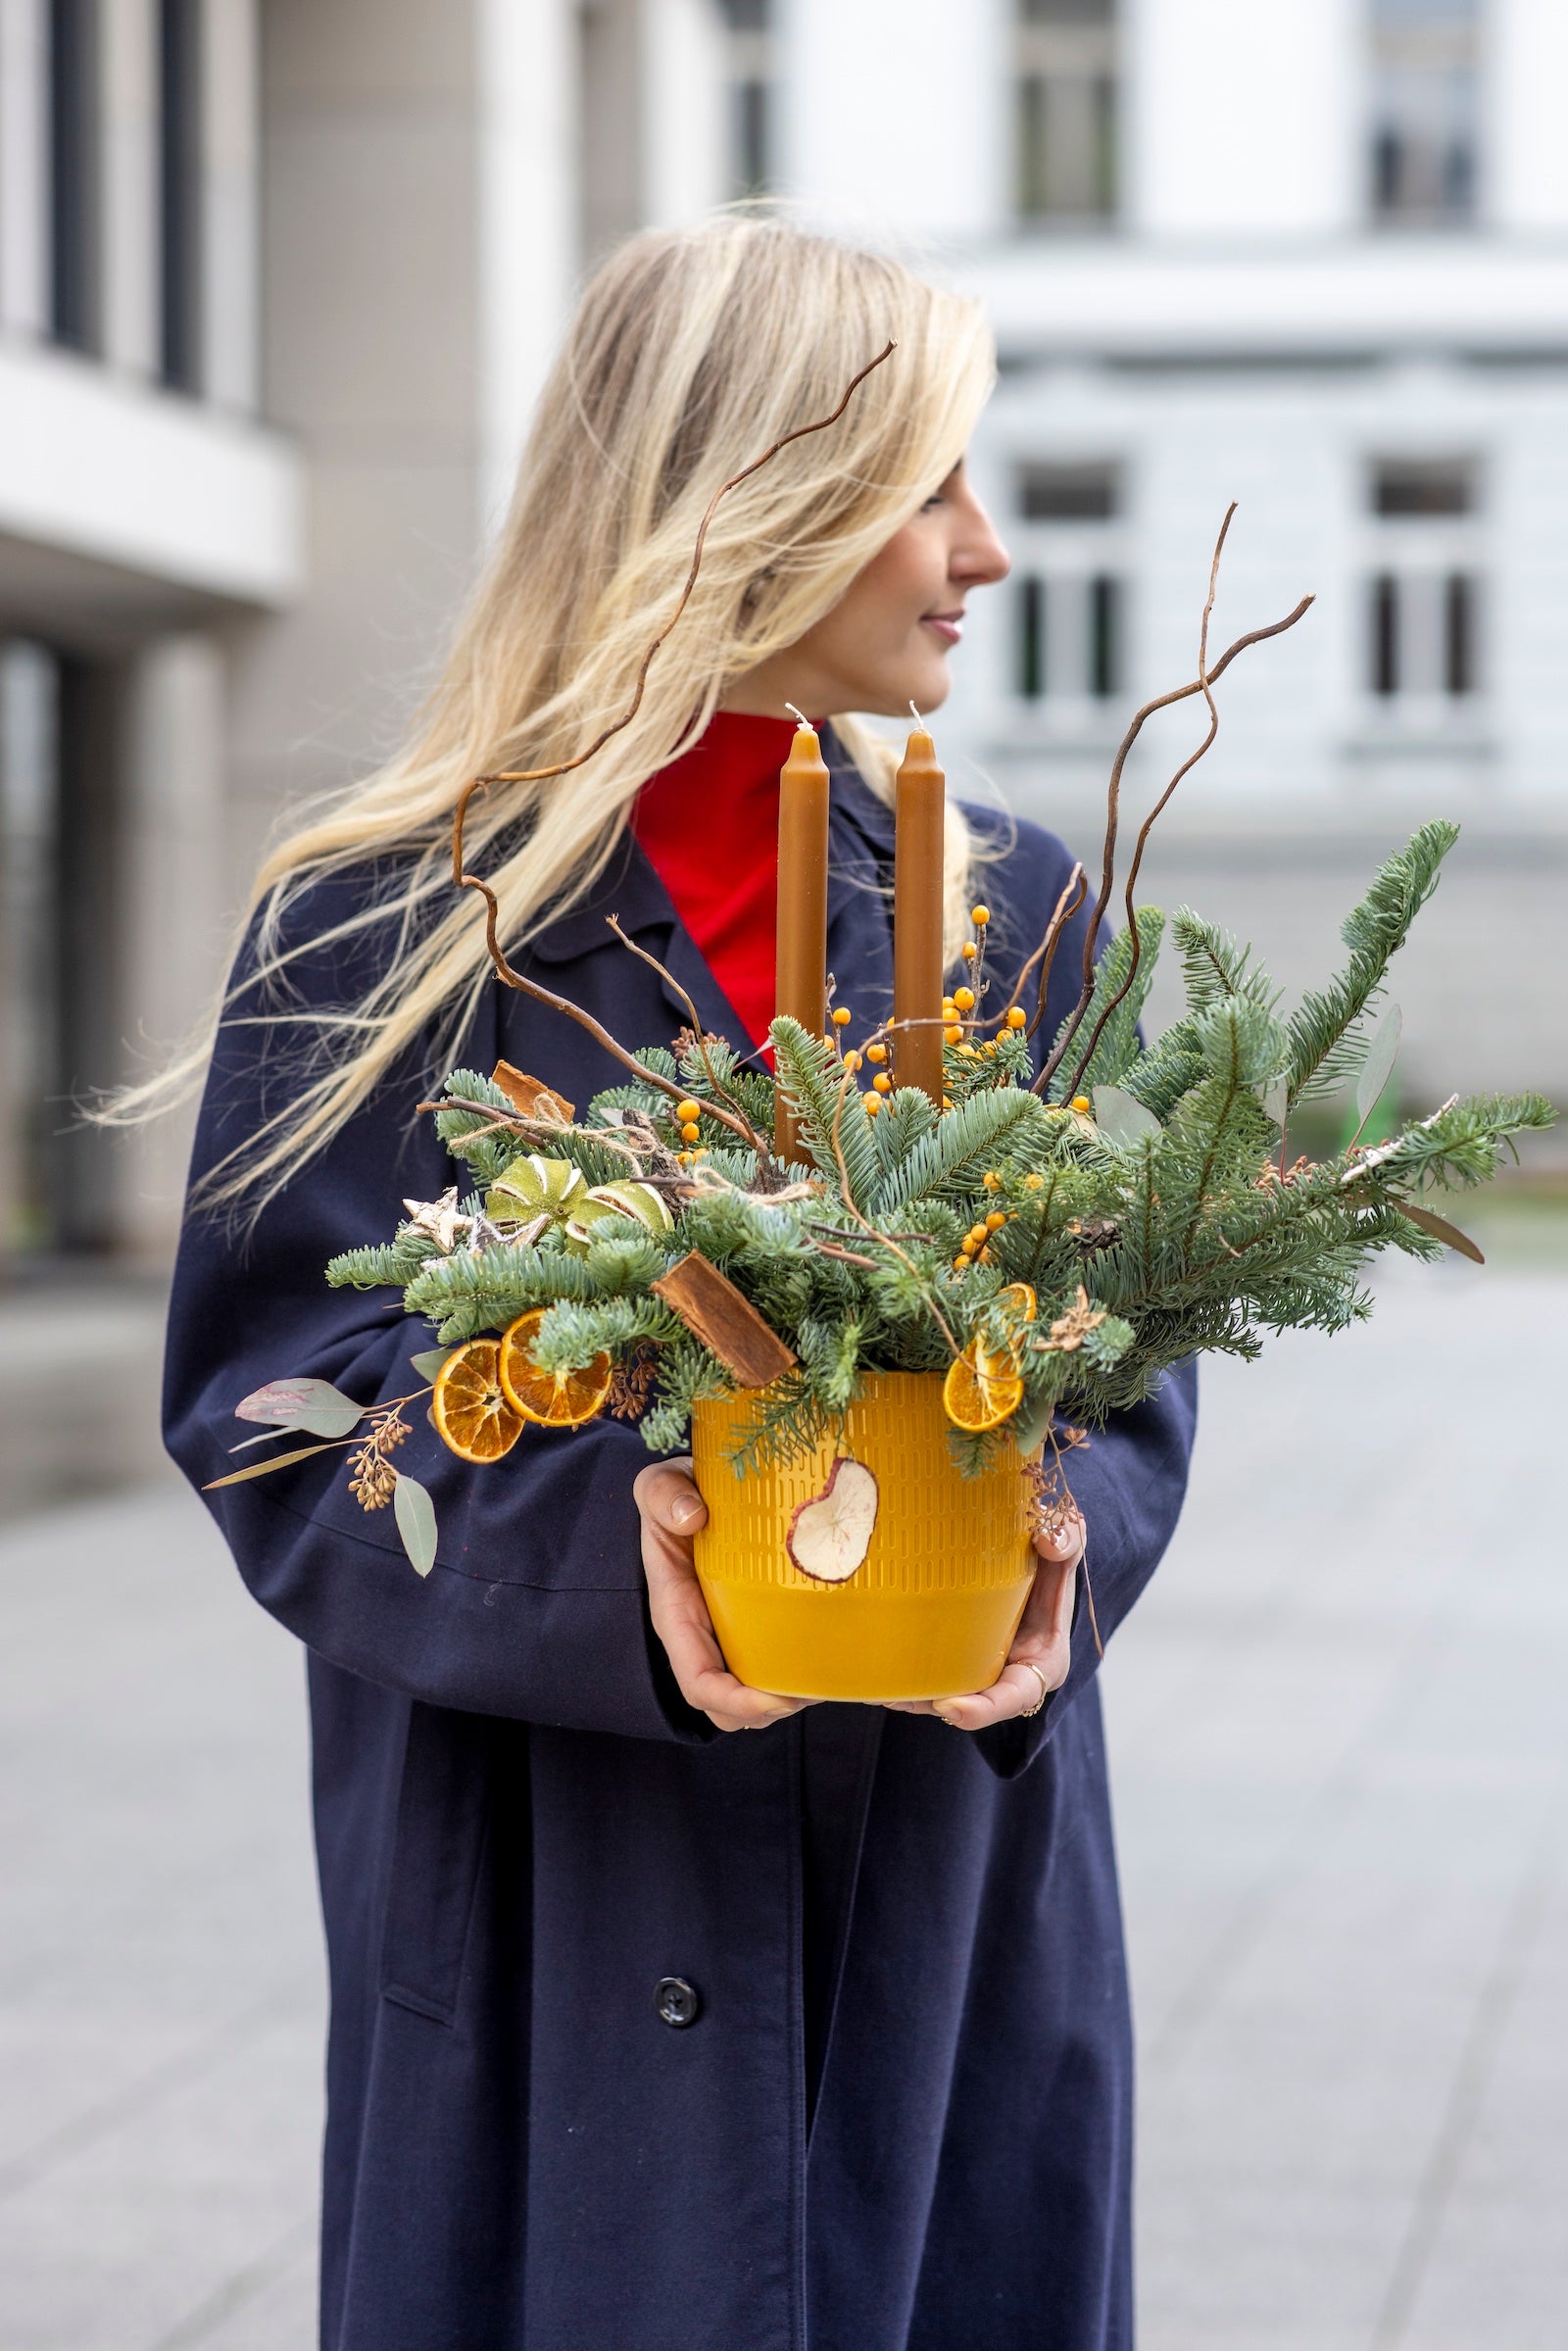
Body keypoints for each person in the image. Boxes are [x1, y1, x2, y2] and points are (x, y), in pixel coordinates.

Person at [143, 215, 1196, 2351]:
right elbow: (270, 1400)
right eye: (930, 483)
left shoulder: (1013, 910)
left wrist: (1058, 1545)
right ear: (753, 498)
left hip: (939, 1905)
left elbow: (1128, 1353)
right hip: (546, 1913)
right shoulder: (384, 917)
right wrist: (622, 1566)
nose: (979, 552)